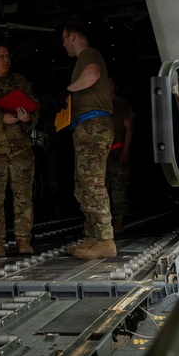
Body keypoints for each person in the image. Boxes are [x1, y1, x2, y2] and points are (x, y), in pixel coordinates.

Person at [57, 18, 115, 259]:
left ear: (72, 36)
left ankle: (104, 240)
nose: (62, 45)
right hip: (86, 128)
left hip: (93, 126)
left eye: (63, 39)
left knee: (92, 182)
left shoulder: (88, 54)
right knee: (84, 184)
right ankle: (93, 236)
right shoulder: (84, 57)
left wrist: (68, 89)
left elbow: (92, 74)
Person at [0, 43, 39, 257]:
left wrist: (27, 118)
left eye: (8, 56)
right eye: (1, 56)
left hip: (21, 150)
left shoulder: (20, 82)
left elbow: (35, 110)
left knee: (23, 196)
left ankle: (23, 240)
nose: (6, 60)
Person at [106, 78, 134, 234]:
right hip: (103, 152)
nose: (108, 86)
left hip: (118, 150)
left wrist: (125, 150)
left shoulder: (122, 104)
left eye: (110, 83)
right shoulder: (100, 104)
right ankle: (104, 220)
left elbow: (129, 128)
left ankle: (119, 219)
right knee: (102, 187)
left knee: (118, 187)